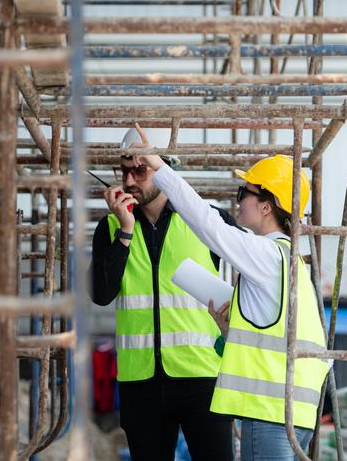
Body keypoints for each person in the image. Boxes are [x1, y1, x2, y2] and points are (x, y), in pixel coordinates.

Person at [133, 125, 328, 461]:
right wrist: (229, 331)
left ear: (267, 206)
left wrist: (159, 168)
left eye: (244, 194)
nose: (239, 202)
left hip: (269, 412)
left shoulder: (266, 253)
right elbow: (275, 336)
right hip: (290, 410)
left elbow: (208, 226)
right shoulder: (287, 259)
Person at [89, 126, 237, 461]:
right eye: (123, 171)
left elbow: (259, 270)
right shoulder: (110, 227)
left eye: (139, 170)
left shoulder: (208, 221)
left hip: (201, 376)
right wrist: (125, 232)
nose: (128, 182)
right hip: (139, 384)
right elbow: (100, 294)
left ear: (163, 168)